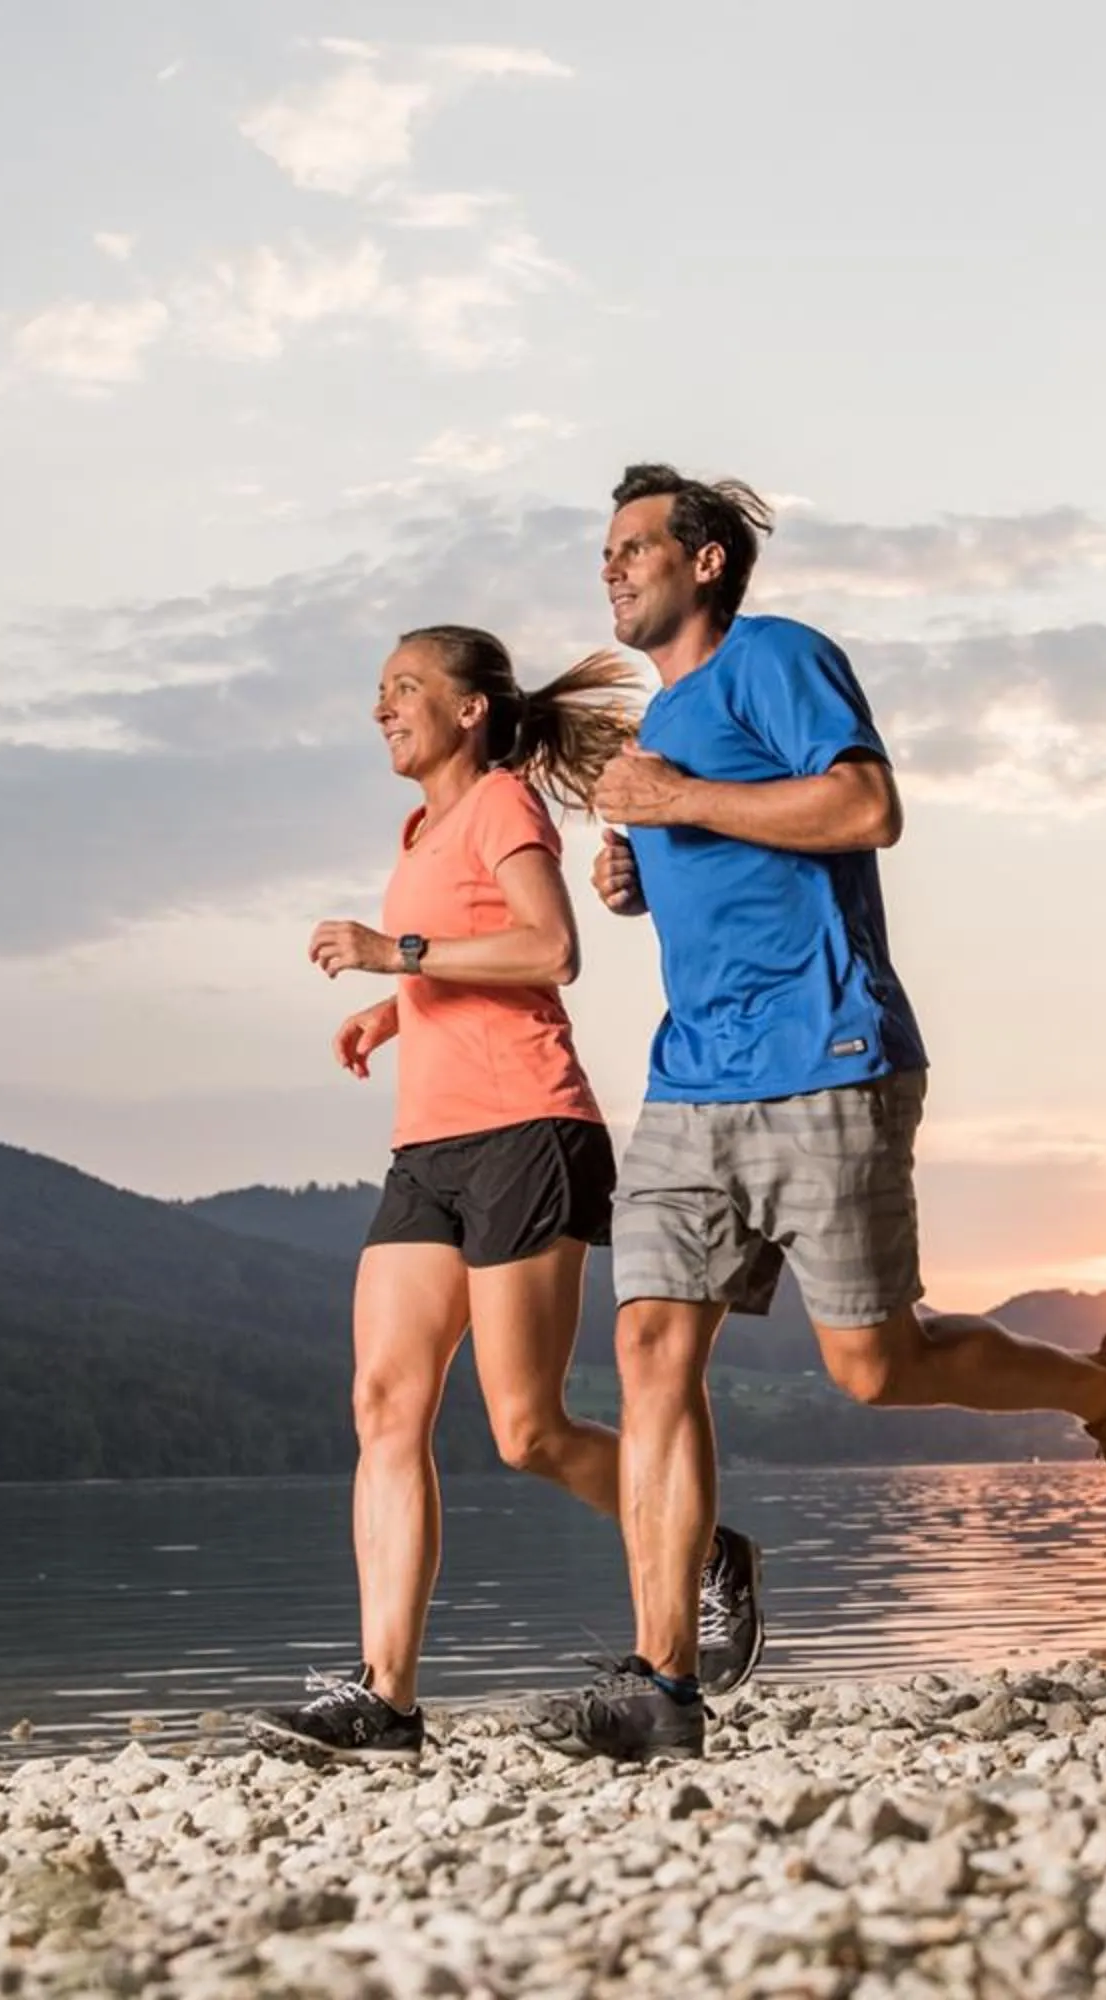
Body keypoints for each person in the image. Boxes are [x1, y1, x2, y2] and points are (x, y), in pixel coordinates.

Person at [526, 468, 1106, 1763]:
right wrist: (637, 878)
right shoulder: (660, 719)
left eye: (633, 549)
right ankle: (661, 1687)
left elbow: (865, 807)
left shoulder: (777, 659)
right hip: (691, 1081)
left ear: (706, 562)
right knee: (655, 1347)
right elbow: (729, 867)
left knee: (876, 1369)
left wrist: (676, 807)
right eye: (601, 555)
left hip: (829, 1059)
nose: (609, 570)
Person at [249, 624, 765, 1760]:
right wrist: (399, 1006)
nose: (382, 706)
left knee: (526, 1429)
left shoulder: (500, 805)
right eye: (377, 689)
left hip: (530, 1130)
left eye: (405, 687)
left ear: (472, 708)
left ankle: (707, 1547)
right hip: (427, 1147)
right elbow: (464, 956)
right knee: (384, 1404)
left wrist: (400, 953)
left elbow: (550, 946)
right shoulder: (422, 827)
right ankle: (385, 1701)